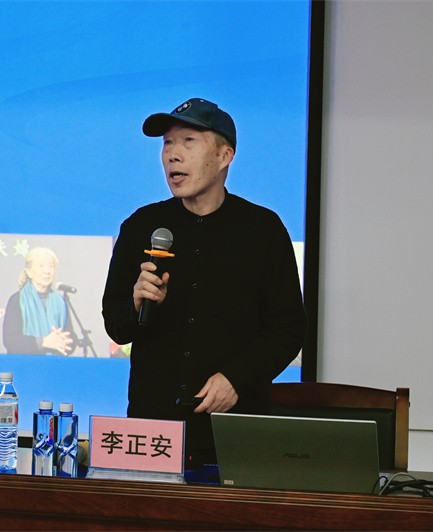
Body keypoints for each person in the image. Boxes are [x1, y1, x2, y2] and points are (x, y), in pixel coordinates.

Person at [102, 97, 307, 467]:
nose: (172, 155)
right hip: (153, 431)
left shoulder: (262, 230)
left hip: (234, 430)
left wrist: (236, 379)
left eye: (188, 141)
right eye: (167, 143)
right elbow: (115, 326)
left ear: (225, 156)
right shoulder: (140, 227)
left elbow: (288, 330)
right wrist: (135, 305)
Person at [2, 246, 77, 355]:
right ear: (29, 272)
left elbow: (70, 336)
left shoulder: (60, 302)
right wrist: (44, 342)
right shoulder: (17, 300)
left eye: (51, 266)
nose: (47, 271)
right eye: (41, 266)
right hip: (26, 363)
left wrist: (64, 342)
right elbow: (11, 340)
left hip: (55, 364)